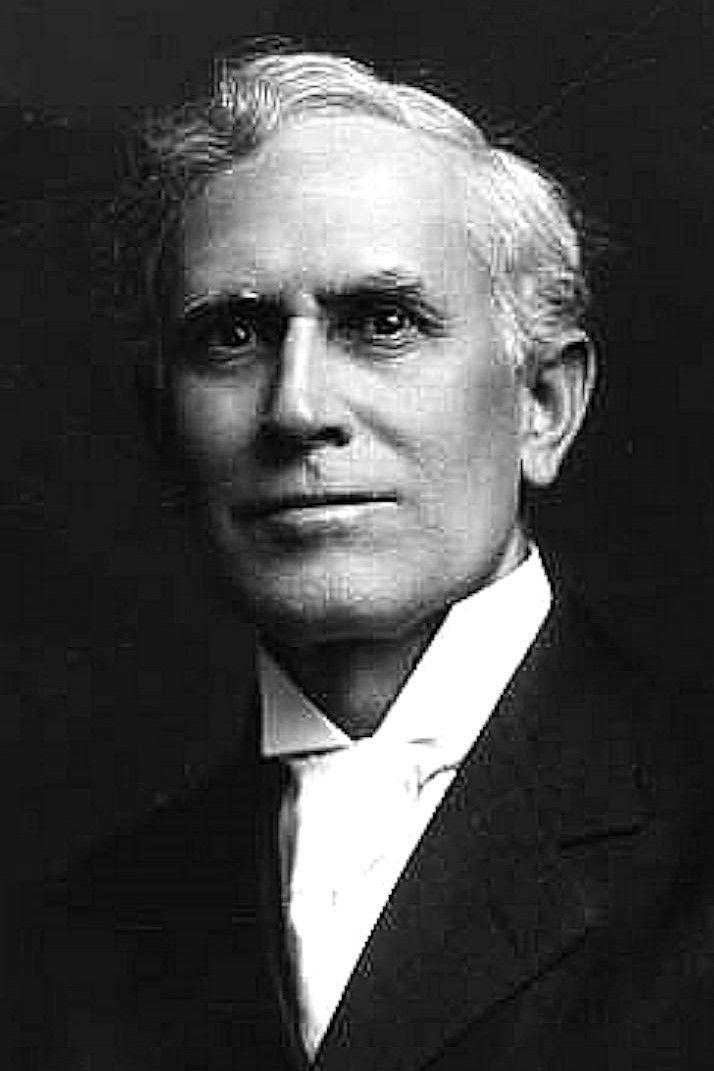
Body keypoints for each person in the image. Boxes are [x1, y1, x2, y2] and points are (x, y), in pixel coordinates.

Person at [12, 48, 714, 1070]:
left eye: (384, 323)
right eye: (233, 336)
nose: (297, 407)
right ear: (161, 423)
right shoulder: (62, 946)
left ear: (543, 404)